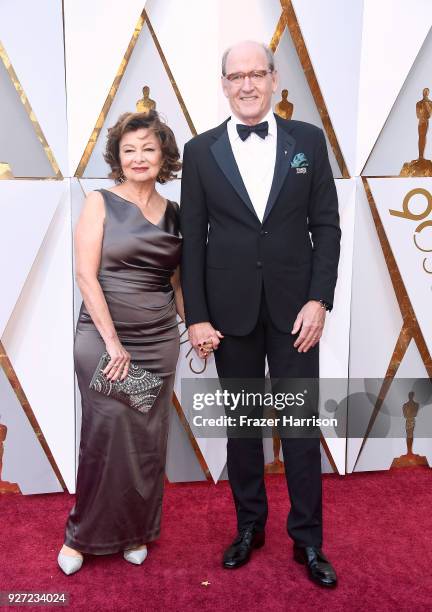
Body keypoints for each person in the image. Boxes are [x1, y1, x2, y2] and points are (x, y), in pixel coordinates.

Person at [180, 41, 341, 588]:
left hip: (298, 311)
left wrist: (320, 300)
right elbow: (192, 244)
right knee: (243, 428)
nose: (246, 85)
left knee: (299, 426)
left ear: (273, 80)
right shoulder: (199, 152)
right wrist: (196, 316)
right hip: (228, 315)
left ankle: (309, 539)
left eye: (256, 74)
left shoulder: (309, 142)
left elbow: (328, 226)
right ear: (223, 85)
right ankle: (249, 526)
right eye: (236, 76)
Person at [58, 111, 211, 575]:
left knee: (146, 440)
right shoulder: (99, 202)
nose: (139, 157)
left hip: (160, 341)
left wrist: (196, 329)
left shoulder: (175, 213)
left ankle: (135, 532)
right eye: (129, 150)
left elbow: (178, 283)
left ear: (162, 154)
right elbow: (86, 275)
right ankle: (82, 537)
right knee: (105, 436)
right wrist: (113, 342)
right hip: (104, 341)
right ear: (117, 158)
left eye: (148, 148)